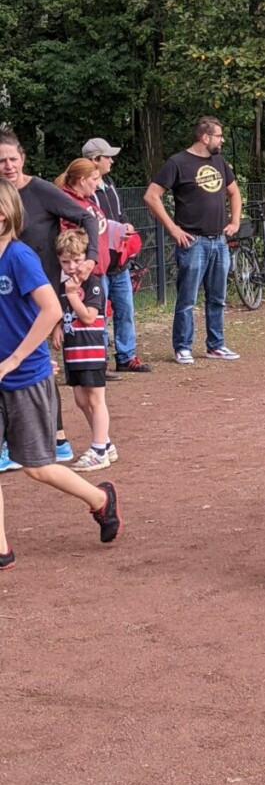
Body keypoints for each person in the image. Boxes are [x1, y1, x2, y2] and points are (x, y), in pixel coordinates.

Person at [0, 179, 121, 571]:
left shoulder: (18, 257)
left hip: (23, 377)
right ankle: (1, 548)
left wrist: (14, 360)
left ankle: (100, 499)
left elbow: (51, 310)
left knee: (37, 466)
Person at [0, 129, 100, 464]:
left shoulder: (40, 190)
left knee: (33, 365)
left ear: (23, 158)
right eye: (1, 161)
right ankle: (49, 439)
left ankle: (52, 441)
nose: (8, 165)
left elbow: (85, 216)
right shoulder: (1, 196)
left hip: (41, 294)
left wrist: (89, 259)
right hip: (9, 295)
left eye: (13, 158)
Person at [143, 116, 242, 364]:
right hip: (192, 241)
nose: (222, 140)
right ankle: (182, 346)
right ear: (205, 137)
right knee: (187, 298)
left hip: (219, 240)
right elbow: (151, 196)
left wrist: (236, 222)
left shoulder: (219, 162)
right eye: (218, 136)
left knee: (217, 297)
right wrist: (173, 229)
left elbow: (234, 191)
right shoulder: (178, 162)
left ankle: (216, 345)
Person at [83, 138, 151, 373]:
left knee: (125, 311)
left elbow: (120, 215)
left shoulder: (109, 183)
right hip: (98, 264)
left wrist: (126, 226)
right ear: (94, 160)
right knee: (99, 313)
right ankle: (98, 360)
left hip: (120, 262)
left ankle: (126, 356)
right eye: (107, 157)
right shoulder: (83, 192)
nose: (111, 161)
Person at [53, 228, 116, 472]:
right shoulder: (63, 284)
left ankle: (99, 447)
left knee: (95, 399)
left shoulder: (93, 283)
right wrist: (57, 326)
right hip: (73, 352)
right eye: (65, 261)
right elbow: (61, 310)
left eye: (76, 260)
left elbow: (89, 317)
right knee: (80, 400)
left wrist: (72, 295)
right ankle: (106, 442)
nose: (71, 267)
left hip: (91, 351)